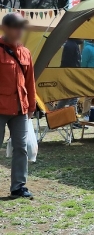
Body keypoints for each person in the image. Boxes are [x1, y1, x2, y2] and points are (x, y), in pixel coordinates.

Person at [0, 13, 35, 199]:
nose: (20, 30)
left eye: (21, 27)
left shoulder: (25, 52)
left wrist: (31, 106)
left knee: (21, 147)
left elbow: (30, 82)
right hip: (0, 108)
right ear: (6, 29)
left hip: (20, 109)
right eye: (16, 27)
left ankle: (18, 187)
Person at [55, 39, 82, 110]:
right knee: (74, 96)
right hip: (71, 74)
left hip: (69, 73)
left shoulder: (72, 44)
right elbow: (68, 61)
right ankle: (73, 117)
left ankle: (57, 113)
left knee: (67, 97)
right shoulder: (71, 45)